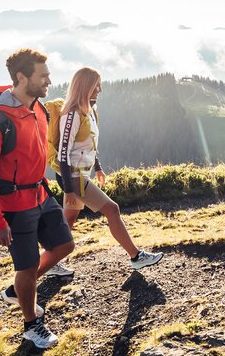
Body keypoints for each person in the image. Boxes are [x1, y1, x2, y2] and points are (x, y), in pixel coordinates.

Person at [0, 48, 75, 349]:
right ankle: (32, 325)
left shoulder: (38, 108)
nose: (48, 80)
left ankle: (19, 291)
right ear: (21, 77)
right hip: (15, 207)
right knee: (27, 267)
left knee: (65, 245)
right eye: (42, 76)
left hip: (41, 194)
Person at [46, 66, 163, 276]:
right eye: (96, 85)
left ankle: (50, 262)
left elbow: (89, 145)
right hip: (73, 178)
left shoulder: (89, 112)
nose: (99, 89)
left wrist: (98, 168)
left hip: (80, 175)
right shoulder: (71, 115)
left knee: (68, 221)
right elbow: (63, 154)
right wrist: (70, 188)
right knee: (112, 209)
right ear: (85, 87)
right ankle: (136, 256)